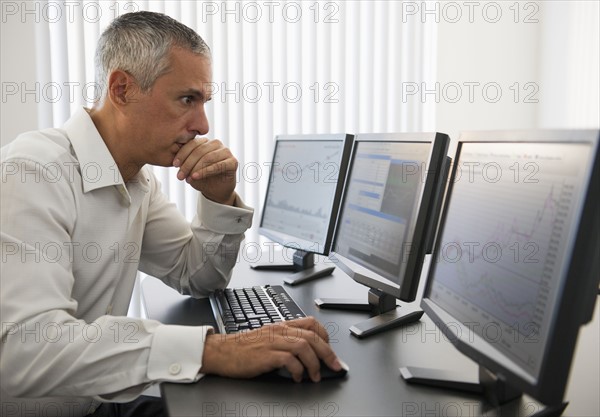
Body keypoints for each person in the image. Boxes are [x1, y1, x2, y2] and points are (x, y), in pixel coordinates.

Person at [0, 11, 343, 417]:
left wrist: (219, 198)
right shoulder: (32, 171)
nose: (202, 124)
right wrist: (212, 350)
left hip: (94, 403)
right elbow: (23, 350)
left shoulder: (137, 180)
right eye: (187, 99)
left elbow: (198, 277)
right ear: (123, 88)